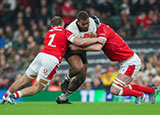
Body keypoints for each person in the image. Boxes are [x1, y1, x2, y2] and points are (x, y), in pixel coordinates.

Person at [0, 16, 104, 105]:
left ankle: (5, 96)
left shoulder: (49, 32)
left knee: (24, 79)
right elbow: (79, 42)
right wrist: (97, 39)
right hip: (52, 59)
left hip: (41, 55)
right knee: (37, 88)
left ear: (52, 26)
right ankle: (14, 96)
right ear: (63, 23)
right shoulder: (66, 32)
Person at [69, 16, 159, 104]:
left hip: (130, 62)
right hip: (126, 62)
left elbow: (98, 47)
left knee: (115, 89)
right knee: (123, 86)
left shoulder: (103, 30)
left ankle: (139, 95)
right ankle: (151, 91)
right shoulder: (100, 30)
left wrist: (78, 47)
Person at [56, 11, 97, 104]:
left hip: (81, 48)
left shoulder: (92, 22)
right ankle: (66, 80)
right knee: (78, 68)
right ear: (78, 22)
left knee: (81, 78)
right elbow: (72, 47)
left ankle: (63, 98)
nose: (86, 26)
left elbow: (92, 38)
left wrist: (90, 40)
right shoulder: (71, 29)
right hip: (70, 49)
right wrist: (89, 42)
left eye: (87, 23)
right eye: (83, 24)